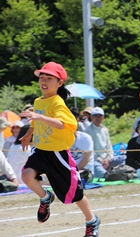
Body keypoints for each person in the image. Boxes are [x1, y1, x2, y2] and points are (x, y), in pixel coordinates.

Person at [19, 62, 100, 236]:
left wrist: (38, 115)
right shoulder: (38, 101)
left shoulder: (58, 103)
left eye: (49, 78)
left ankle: (92, 220)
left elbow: (63, 124)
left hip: (58, 154)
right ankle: (45, 197)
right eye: (42, 77)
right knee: (26, 175)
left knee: (75, 195)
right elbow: (36, 120)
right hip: (41, 150)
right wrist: (28, 134)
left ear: (59, 83)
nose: (44, 81)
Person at [84, 106, 123, 178]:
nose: (97, 118)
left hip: (107, 160)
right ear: (91, 117)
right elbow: (89, 150)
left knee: (123, 158)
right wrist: (101, 160)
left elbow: (109, 147)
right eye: (95, 116)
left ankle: (116, 172)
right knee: (95, 166)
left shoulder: (105, 130)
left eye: (100, 116)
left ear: (103, 118)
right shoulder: (87, 131)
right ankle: (108, 175)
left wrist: (108, 159)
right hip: (96, 160)